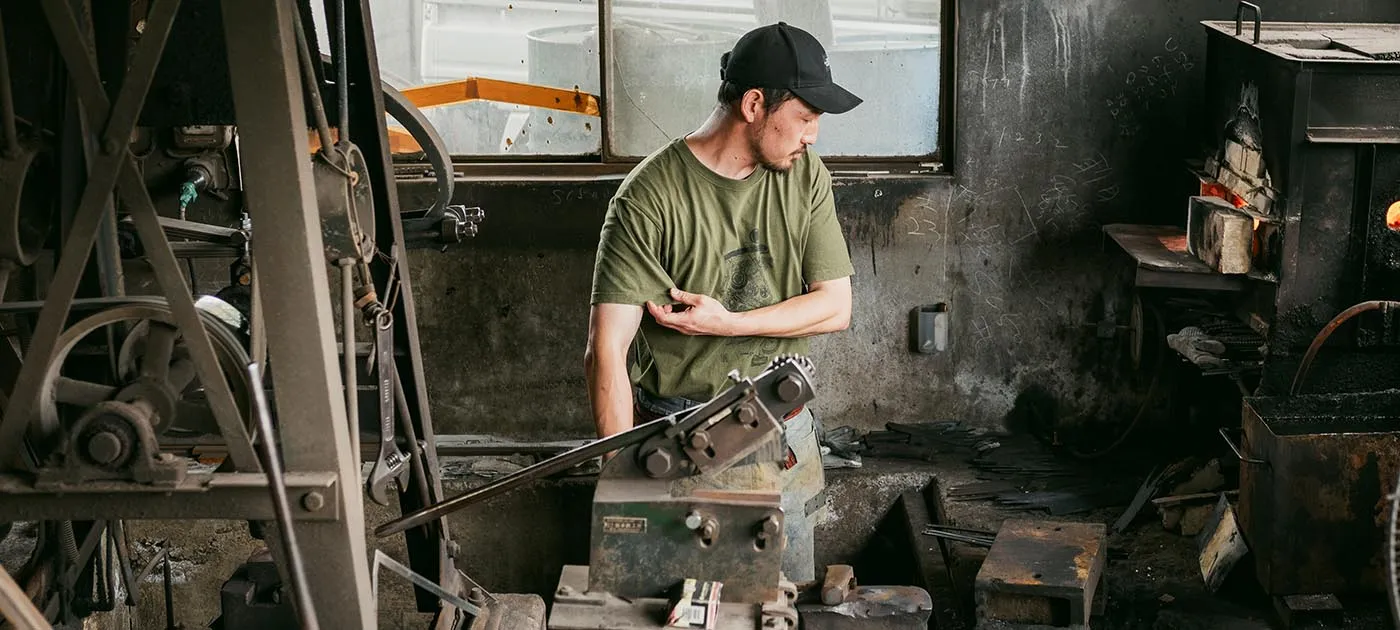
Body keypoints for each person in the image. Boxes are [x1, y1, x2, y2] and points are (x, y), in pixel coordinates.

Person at [584, 21, 860, 583]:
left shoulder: (805, 177)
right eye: (805, 119)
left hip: (787, 432)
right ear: (755, 104)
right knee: (693, 609)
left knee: (788, 604)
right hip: (687, 444)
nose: (813, 137)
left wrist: (727, 324)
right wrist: (621, 480)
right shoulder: (648, 199)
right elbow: (605, 349)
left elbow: (836, 306)